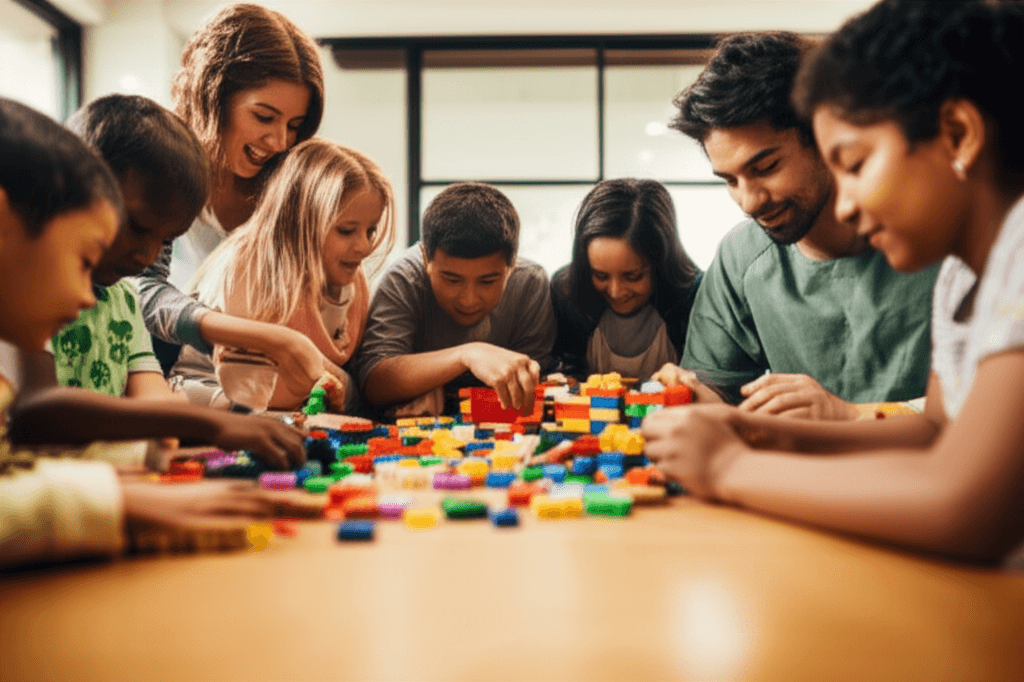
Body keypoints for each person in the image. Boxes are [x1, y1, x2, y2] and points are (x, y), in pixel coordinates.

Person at [643, 0, 1024, 565]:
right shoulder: (963, 278)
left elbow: (966, 509)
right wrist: (759, 432)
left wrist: (730, 466)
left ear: (958, 134)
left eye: (855, 163)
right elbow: (935, 431)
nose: (845, 204)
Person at [0, 98, 303, 567]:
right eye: (83, 258)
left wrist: (168, 447)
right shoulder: (28, 313)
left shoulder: (118, 299)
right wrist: (200, 426)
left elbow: (15, 467)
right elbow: (34, 419)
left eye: (164, 241)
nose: (146, 257)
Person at [662, 30, 939, 419]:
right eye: (729, 179)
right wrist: (693, 398)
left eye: (766, 167)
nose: (748, 201)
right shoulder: (742, 258)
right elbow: (721, 395)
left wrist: (848, 415)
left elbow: (989, 410)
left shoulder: (945, 237)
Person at [131, 3, 330, 406]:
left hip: (267, 402)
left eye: (294, 126)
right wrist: (253, 335)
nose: (279, 142)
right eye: (263, 117)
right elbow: (139, 291)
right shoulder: (162, 170)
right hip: (160, 392)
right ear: (212, 97)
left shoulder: (289, 191)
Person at [171, 139, 396, 412]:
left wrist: (339, 387)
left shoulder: (351, 278)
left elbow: (350, 384)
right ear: (299, 222)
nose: (365, 247)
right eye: (346, 231)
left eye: (370, 231)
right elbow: (247, 387)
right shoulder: (250, 266)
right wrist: (326, 378)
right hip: (208, 393)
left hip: (289, 408)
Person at [352, 182, 555, 416]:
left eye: (487, 282)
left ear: (512, 265)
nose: (468, 300)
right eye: (452, 280)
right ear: (425, 256)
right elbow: (373, 380)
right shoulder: (404, 278)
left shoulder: (530, 283)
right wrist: (468, 354)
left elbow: (527, 386)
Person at [550, 179, 702, 381]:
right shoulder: (567, 291)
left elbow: (711, 380)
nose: (615, 291)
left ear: (662, 263)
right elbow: (565, 366)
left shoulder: (694, 295)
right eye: (600, 276)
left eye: (632, 276)